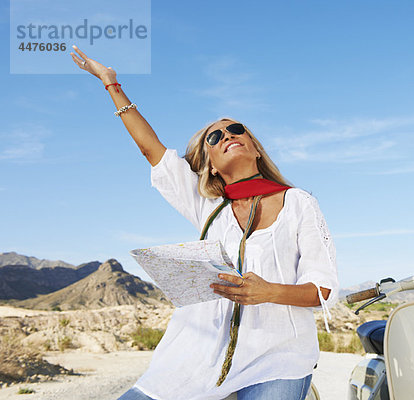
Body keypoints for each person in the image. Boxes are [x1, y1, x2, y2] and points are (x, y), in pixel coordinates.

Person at [70, 45, 339, 400]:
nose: (227, 135)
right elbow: (152, 150)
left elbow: (323, 290)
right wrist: (111, 84)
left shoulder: (298, 202)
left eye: (236, 130)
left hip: (279, 358)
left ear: (255, 148)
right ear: (210, 163)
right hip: (195, 356)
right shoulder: (207, 206)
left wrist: (269, 292)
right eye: (216, 136)